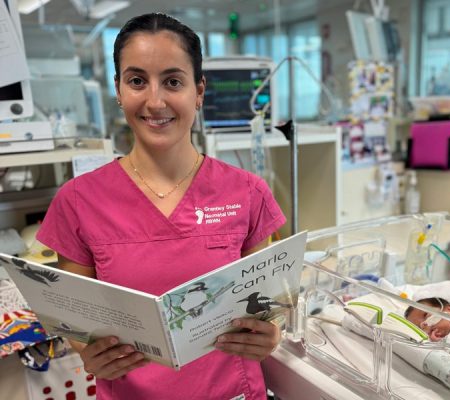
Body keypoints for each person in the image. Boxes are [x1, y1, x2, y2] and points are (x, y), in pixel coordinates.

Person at [36, 13, 286, 400]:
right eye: (137, 81)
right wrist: (89, 353)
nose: (155, 101)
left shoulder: (247, 193)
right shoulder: (78, 202)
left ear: (199, 91)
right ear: (118, 90)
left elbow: (270, 305)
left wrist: (271, 334)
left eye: (173, 81)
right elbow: (77, 325)